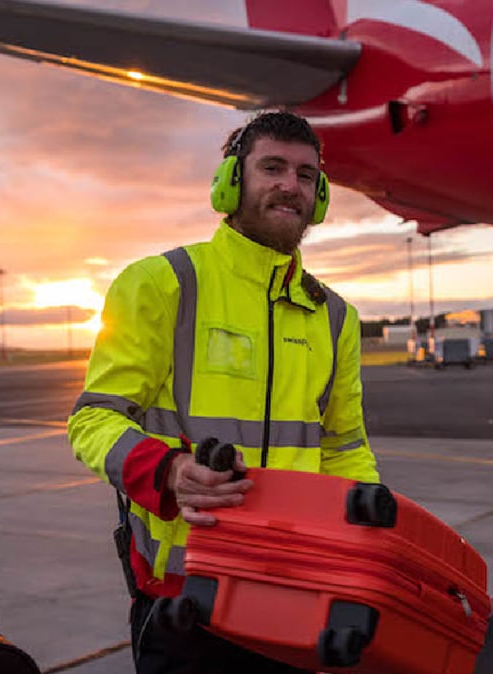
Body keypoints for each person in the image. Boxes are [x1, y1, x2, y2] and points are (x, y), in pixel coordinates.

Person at [67, 110, 379, 673]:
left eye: (306, 175)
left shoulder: (336, 318)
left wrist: (369, 543)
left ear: (322, 196)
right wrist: (168, 470)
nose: (291, 185)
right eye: (273, 167)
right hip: (185, 600)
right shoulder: (163, 283)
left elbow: (344, 448)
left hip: (295, 593)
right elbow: (94, 420)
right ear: (231, 183)